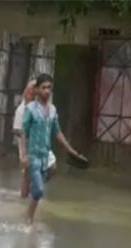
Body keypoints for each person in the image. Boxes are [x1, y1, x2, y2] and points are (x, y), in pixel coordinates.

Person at [18, 73, 86, 225]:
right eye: (43, 88)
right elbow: (23, 132)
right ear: (37, 90)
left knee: (51, 172)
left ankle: (28, 212)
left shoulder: (53, 110)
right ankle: (28, 218)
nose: (47, 91)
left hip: (45, 154)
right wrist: (23, 155)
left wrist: (70, 150)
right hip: (33, 154)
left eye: (49, 88)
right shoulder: (30, 109)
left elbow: (57, 132)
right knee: (40, 191)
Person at [13, 80, 40, 198]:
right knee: (27, 174)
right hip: (26, 145)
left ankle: (29, 196)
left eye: (34, 92)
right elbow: (16, 130)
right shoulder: (21, 110)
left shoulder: (38, 107)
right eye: (30, 92)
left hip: (37, 145)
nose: (32, 94)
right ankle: (24, 199)